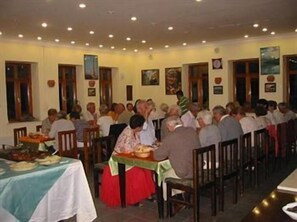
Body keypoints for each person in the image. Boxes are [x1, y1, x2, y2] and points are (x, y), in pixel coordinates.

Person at [100, 114, 155, 207]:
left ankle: (146, 194)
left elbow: (137, 145)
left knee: (147, 169)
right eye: (142, 125)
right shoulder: (127, 133)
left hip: (131, 158)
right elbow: (127, 151)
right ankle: (133, 199)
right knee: (138, 173)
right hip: (119, 160)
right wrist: (140, 149)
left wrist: (145, 147)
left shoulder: (135, 132)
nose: (142, 127)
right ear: (138, 127)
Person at [154, 116, 200, 199]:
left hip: (185, 173)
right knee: (172, 167)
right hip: (197, 167)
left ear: (170, 126)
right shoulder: (191, 131)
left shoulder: (171, 137)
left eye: (167, 127)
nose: (167, 129)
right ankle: (181, 195)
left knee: (162, 175)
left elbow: (157, 156)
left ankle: (173, 199)